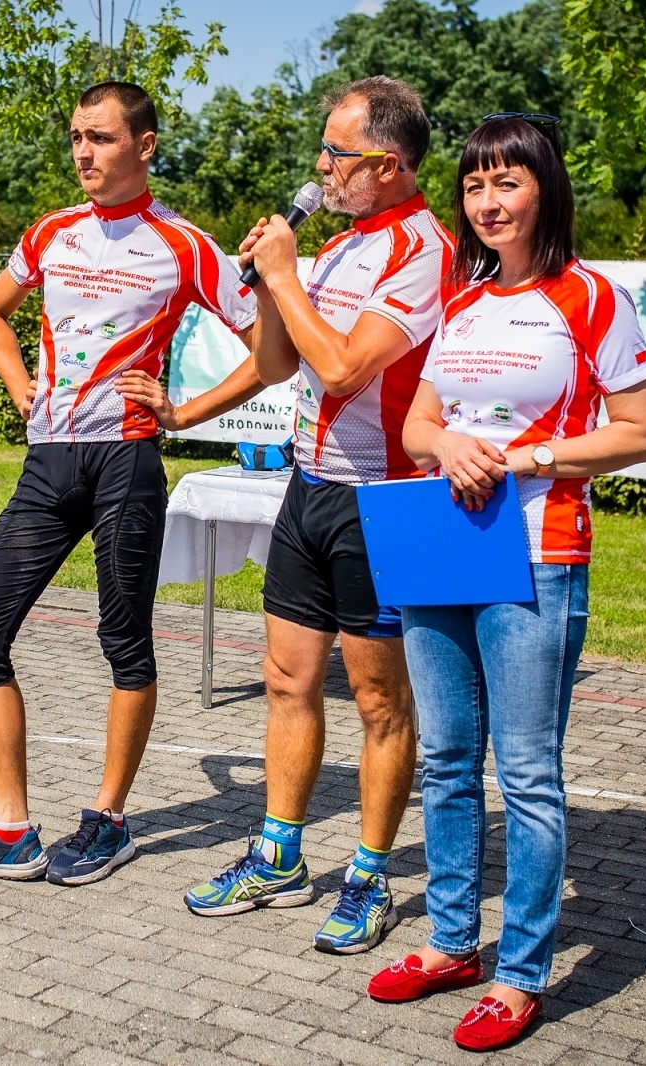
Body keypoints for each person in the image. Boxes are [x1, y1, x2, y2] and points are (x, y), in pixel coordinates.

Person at [0, 81, 278, 887]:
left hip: (126, 464)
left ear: (143, 146)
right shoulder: (50, 233)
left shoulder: (186, 245)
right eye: (76, 136)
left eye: (101, 138)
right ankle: (11, 830)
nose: (83, 151)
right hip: (51, 461)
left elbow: (272, 353)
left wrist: (185, 411)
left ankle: (109, 822)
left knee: (124, 643)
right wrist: (19, 389)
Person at [359, 113, 646, 1050]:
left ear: (545, 190)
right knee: (449, 761)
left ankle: (522, 974)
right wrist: (447, 441)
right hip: (442, 546)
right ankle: (453, 942)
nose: (489, 203)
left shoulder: (592, 299)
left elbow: (645, 433)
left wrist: (534, 458)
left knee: (527, 772)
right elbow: (414, 427)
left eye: (509, 183)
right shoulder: (460, 304)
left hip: (539, 549)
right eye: (476, 185)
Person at [183, 76, 452, 955]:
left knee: (380, 699)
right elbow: (275, 362)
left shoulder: (423, 250)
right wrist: (268, 286)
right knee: (287, 680)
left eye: (336, 152)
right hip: (309, 487)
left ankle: (370, 876)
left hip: (386, 501)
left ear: (388, 162)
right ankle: (279, 856)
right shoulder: (334, 250)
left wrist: (288, 273)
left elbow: (343, 370)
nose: (320, 165)